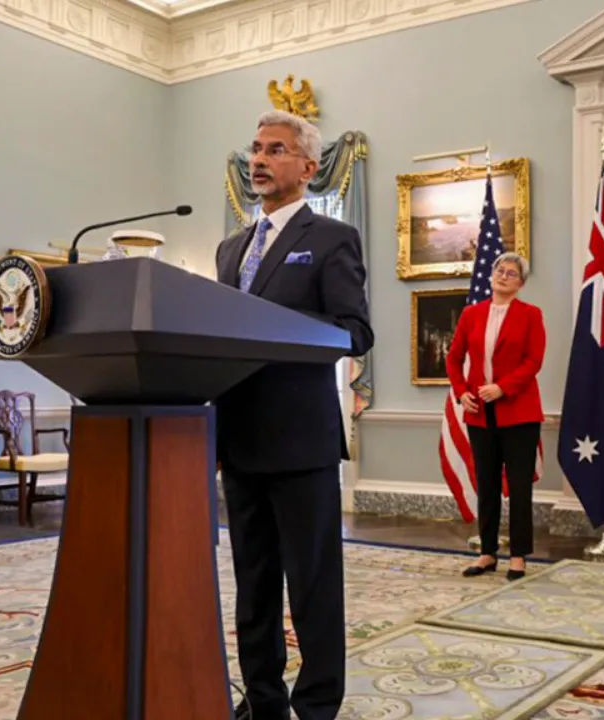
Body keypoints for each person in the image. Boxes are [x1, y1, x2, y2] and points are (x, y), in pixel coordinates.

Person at [213, 109, 373, 720]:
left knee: (312, 587)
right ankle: (263, 703)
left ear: (308, 168)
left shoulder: (332, 238)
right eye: (255, 148)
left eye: (275, 149)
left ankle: (317, 707)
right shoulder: (231, 249)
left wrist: (275, 327)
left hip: (301, 442)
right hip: (239, 439)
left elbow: (354, 332)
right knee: (253, 586)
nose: (259, 159)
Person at [446, 252, 545, 581]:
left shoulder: (531, 315)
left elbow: (533, 361)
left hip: (519, 413)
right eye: (500, 271)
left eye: (511, 273)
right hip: (479, 414)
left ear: (521, 283)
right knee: (486, 484)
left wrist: (502, 388)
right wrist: (461, 392)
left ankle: (518, 556)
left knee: (518, 486)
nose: (504, 276)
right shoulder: (471, 314)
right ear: (491, 276)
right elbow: (454, 358)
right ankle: (487, 552)